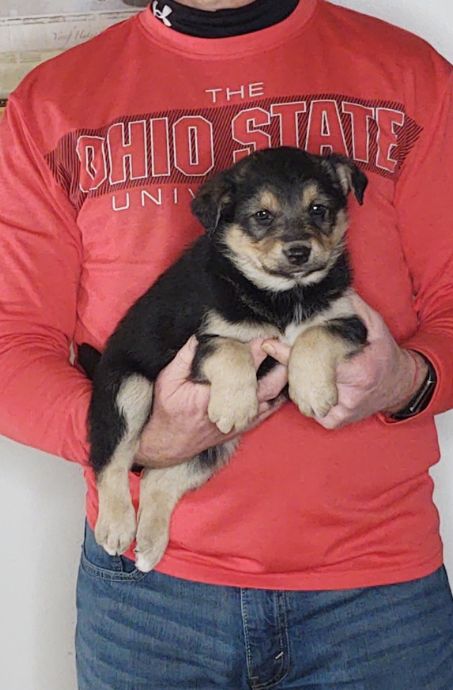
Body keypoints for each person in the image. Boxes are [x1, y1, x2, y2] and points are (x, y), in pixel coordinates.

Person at [1, 0, 453, 687]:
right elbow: (9, 341)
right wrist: (132, 441)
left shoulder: (410, 74)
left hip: (377, 594)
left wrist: (408, 380)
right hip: (148, 597)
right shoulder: (51, 103)